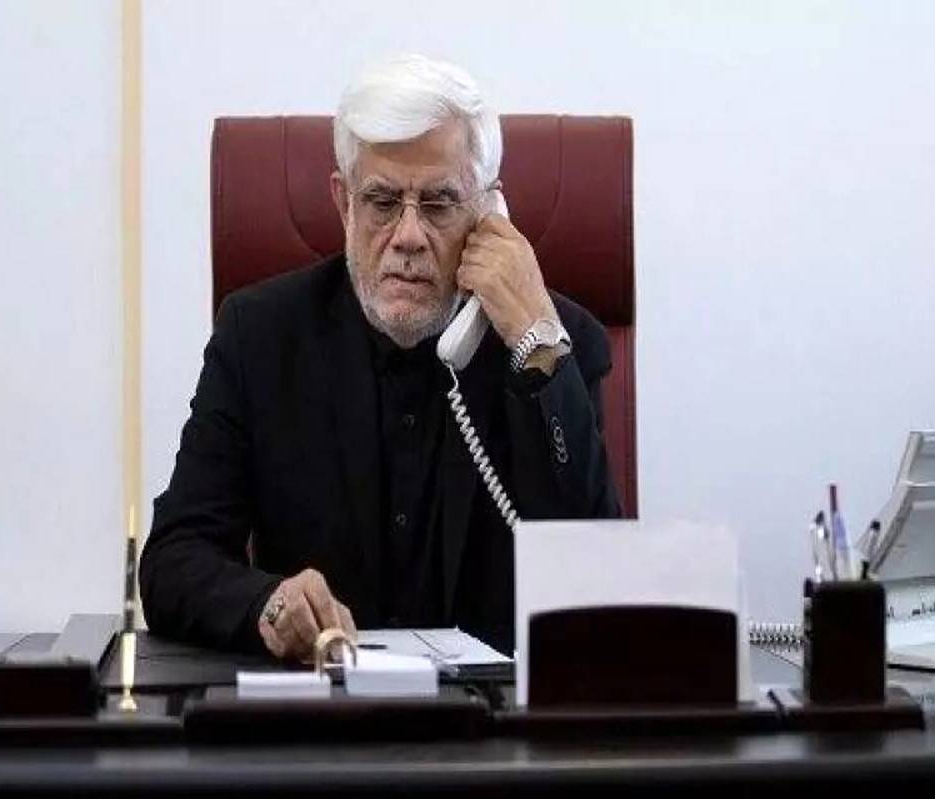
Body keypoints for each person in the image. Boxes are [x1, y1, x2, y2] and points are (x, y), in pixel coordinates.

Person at [140, 54, 620, 659]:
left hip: (495, 714)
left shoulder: (556, 342)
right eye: (382, 201)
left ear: (486, 213)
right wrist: (268, 605)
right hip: (322, 703)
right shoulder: (260, 337)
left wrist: (534, 340)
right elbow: (172, 561)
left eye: (439, 203)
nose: (408, 236)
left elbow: (604, 580)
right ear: (344, 203)